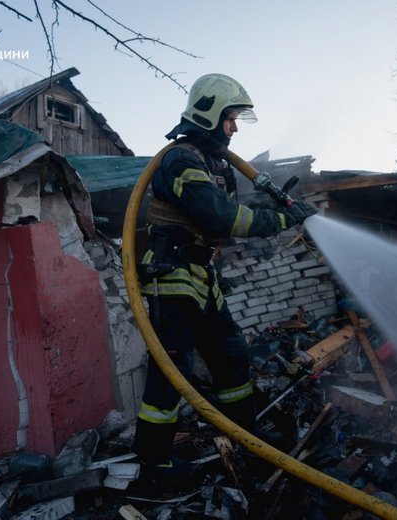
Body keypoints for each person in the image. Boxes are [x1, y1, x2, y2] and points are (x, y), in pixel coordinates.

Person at [133, 73, 317, 478]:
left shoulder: (216, 164)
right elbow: (219, 215)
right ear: (209, 113)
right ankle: (153, 462)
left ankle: (246, 438)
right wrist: (280, 218)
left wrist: (275, 211)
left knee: (231, 357)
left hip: (201, 273)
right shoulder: (179, 159)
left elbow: (223, 221)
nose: (234, 127)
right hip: (172, 273)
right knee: (172, 368)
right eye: (230, 117)